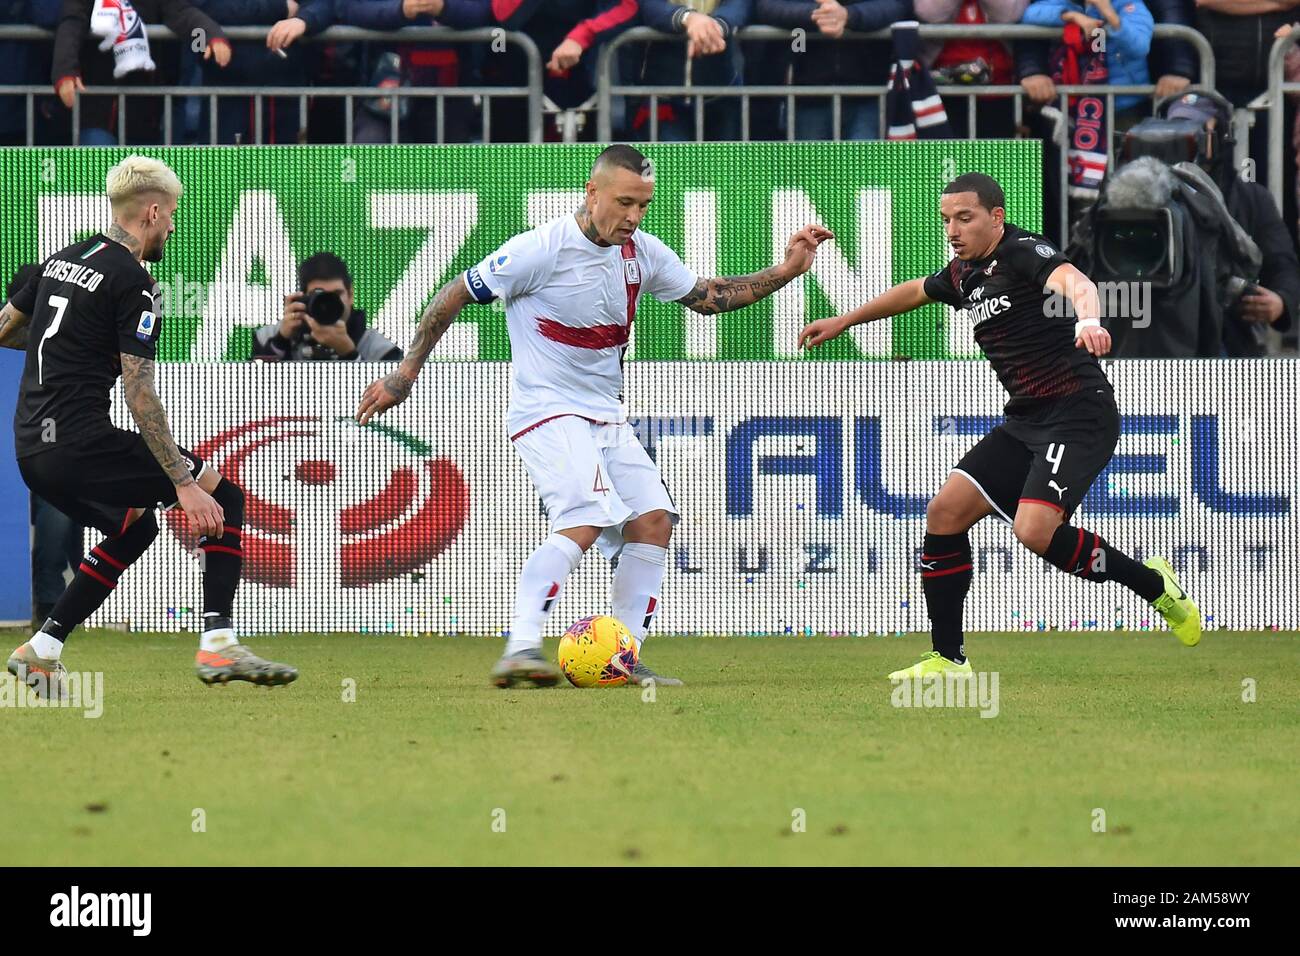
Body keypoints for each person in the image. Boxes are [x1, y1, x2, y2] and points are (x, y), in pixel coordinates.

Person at [355, 143, 833, 687]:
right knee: (586, 517)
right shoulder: (540, 249)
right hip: (545, 410)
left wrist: (790, 269)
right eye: (624, 203)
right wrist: (405, 374)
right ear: (592, 192)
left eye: (643, 206)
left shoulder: (643, 254)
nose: (632, 217)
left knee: (654, 521)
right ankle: (520, 647)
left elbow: (710, 296)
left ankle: (622, 657)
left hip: (605, 417)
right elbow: (455, 293)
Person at [798, 171, 1200, 677]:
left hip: (1077, 413)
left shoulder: (1022, 251)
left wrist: (1090, 321)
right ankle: (948, 659)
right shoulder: (964, 273)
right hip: (1026, 419)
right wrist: (844, 321)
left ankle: (1152, 586)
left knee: (1034, 532)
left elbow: (1074, 282)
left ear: (996, 217)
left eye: (964, 218)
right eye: (946, 220)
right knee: (944, 514)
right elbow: (913, 291)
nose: (953, 230)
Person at [0, 155, 297, 698]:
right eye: (172, 215)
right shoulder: (134, 281)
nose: (174, 226)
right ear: (152, 211)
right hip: (80, 439)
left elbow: (4, 331)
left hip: (31, 450)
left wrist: (66, 343)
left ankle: (42, 650)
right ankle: (218, 642)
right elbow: (139, 392)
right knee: (222, 497)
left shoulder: (56, 262)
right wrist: (184, 484)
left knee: (137, 525)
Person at [252, 252, 403, 361]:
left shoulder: (380, 350)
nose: (328, 303)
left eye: (337, 294)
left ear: (350, 295)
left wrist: (350, 354)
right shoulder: (267, 337)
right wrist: (280, 341)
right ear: (303, 297)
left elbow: (391, 398)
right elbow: (253, 390)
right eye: (319, 295)